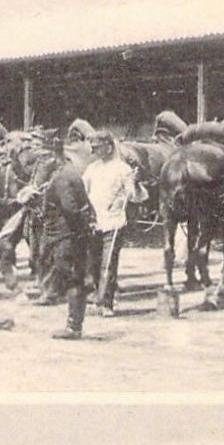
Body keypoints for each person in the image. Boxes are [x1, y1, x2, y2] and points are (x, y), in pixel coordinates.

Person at [38, 138, 94, 340]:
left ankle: (73, 327)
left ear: (54, 156)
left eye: (44, 158)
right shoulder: (70, 173)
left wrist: (76, 231)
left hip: (65, 235)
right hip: (70, 235)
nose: (41, 164)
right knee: (72, 277)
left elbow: (70, 208)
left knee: (71, 278)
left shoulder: (61, 177)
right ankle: (75, 324)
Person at [80, 132, 137, 317]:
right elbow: (83, 191)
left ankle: (106, 303)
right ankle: (97, 296)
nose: (95, 151)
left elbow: (134, 196)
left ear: (109, 147)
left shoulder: (123, 169)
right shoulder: (91, 169)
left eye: (98, 147)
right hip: (93, 223)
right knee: (92, 264)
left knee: (108, 264)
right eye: (93, 148)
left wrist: (134, 185)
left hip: (114, 222)